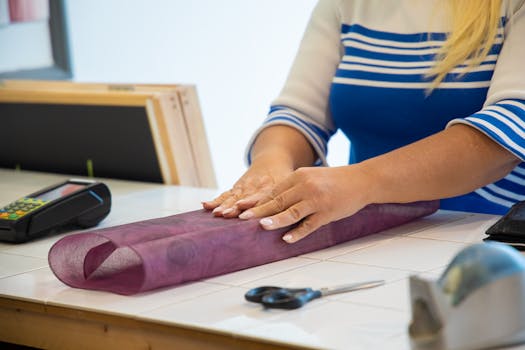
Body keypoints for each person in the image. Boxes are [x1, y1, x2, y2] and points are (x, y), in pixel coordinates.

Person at [203, 0, 525, 244]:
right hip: (365, 237)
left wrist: (362, 182)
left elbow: (508, 131)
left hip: (487, 240)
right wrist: (270, 164)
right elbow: (298, 114)